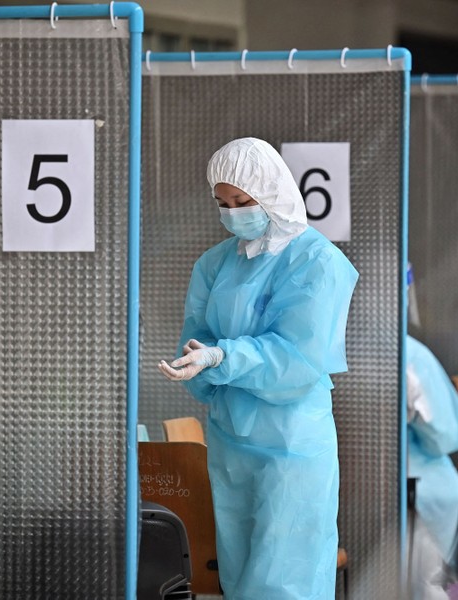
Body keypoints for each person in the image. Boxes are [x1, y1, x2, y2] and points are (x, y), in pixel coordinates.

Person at [157, 137, 359, 600]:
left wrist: (224, 358)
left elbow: (300, 359)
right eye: (223, 203)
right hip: (231, 441)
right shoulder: (215, 263)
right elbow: (198, 331)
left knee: (286, 580)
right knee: (238, 573)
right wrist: (200, 360)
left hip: (292, 446)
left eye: (243, 201)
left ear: (271, 192)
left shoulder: (317, 261)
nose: (232, 214)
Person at [406, 335, 458, 600]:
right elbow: (443, 436)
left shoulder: (409, 355)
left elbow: (445, 436)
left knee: (431, 581)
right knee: (432, 580)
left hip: (421, 491)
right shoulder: (407, 352)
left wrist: (420, 411)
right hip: (420, 485)